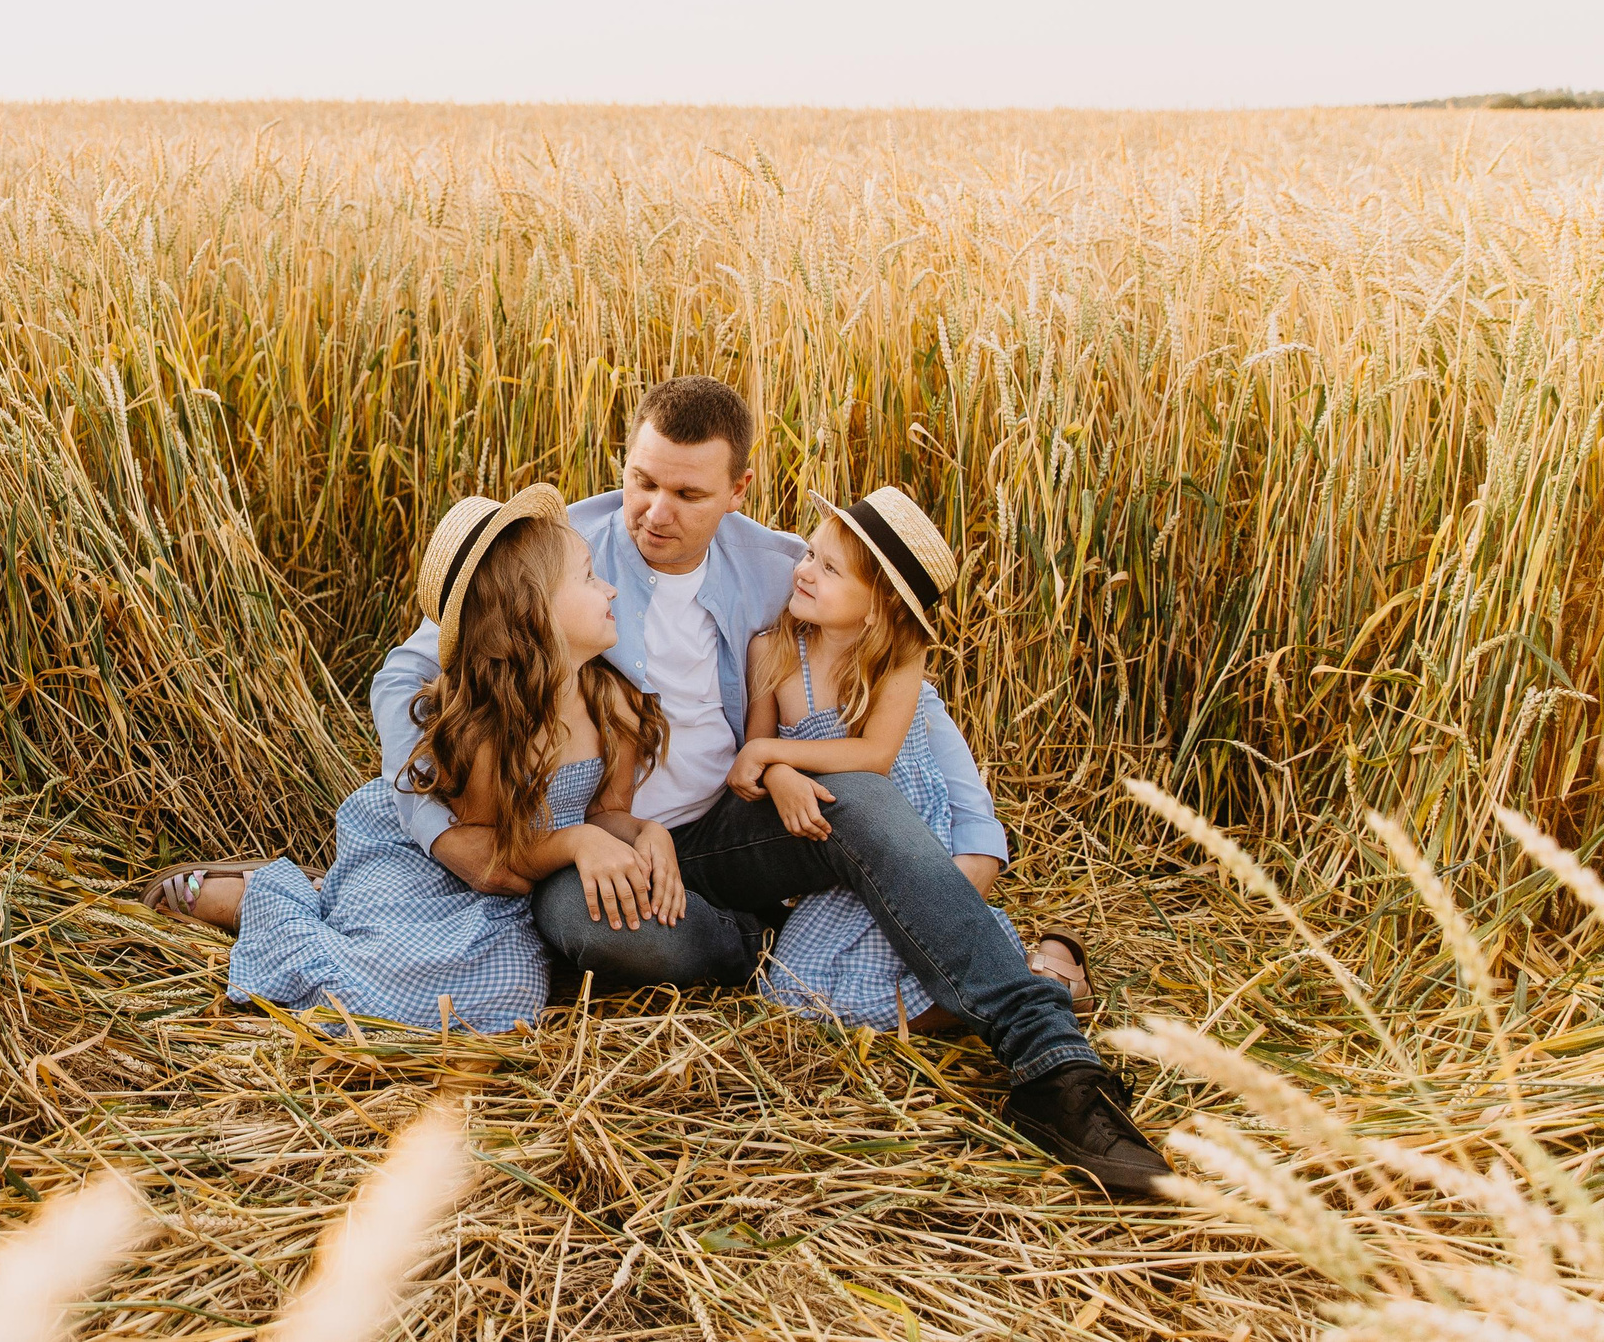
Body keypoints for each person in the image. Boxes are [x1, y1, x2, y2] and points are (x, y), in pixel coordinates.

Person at [372, 376, 1170, 1197]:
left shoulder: (783, 565)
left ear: (738, 489)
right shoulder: (557, 549)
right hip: (620, 849)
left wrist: (978, 839)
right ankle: (760, 955)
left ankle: (1053, 1065)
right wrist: (439, 828)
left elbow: (906, 693)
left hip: (735, 825)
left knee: (852, 796)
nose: (655, 511)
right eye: (643, 480)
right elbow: (408, 668)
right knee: (573, 913)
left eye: (688, 493)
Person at [157, 485, 683, 1032]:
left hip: (514, 892)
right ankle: (264, 902)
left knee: (510, 994)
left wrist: (647, 834)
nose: (612, 591)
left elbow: (606, 815)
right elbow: (486, 852)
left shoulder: (613, 707)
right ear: (533, 610)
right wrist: (575, 842)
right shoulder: (489, 725)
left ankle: (326, 898)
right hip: (438, 865)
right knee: (374, 973)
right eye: (589, 577)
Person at [736, 488, 1090, 1030]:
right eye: (810, 554)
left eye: (830, 569)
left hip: (908, 840)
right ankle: (1019, 981)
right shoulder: (774, 649)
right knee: (794, 989)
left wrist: (768, 752)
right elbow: (758, 753)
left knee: (921, 963)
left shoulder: (897, 661)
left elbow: (873, 757)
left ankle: (1037, 977)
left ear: (880, 606)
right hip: (835, 854)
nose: (805, 572)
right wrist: (777, 769)